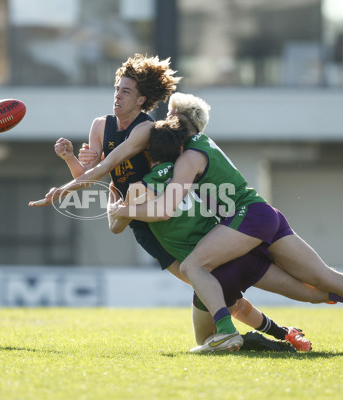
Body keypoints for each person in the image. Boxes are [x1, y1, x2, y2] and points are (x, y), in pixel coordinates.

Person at [111, 92, 343, 353]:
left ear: (180, 123)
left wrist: (126, 208)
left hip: (247, 220)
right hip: (265, 216)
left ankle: (225, 331)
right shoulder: (204, 145)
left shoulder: (189, 156)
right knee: (320, 281)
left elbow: (167, 207)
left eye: (171, 116)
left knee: (194, 266)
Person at [108, 119, 318, 352]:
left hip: (209, 268)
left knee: (206, 337)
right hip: (235, 253)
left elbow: (116, 226)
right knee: (302, 292)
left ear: (146, 151)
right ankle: (285, 333)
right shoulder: (187, 174)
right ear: (180, 149)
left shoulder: (139, 188)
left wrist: (114, 198)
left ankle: (242, 337)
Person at [31, 53, 182, 276]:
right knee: (189, 275)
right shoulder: (100, 125)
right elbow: (85, 177)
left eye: (126, 92)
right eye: (117, 89)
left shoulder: (146, 128)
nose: (117, 96)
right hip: (137, 219)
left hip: (157, 208)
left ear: (141, 100)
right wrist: (70, 158)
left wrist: (62, 191)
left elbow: (103, 167)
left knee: (196, 273)